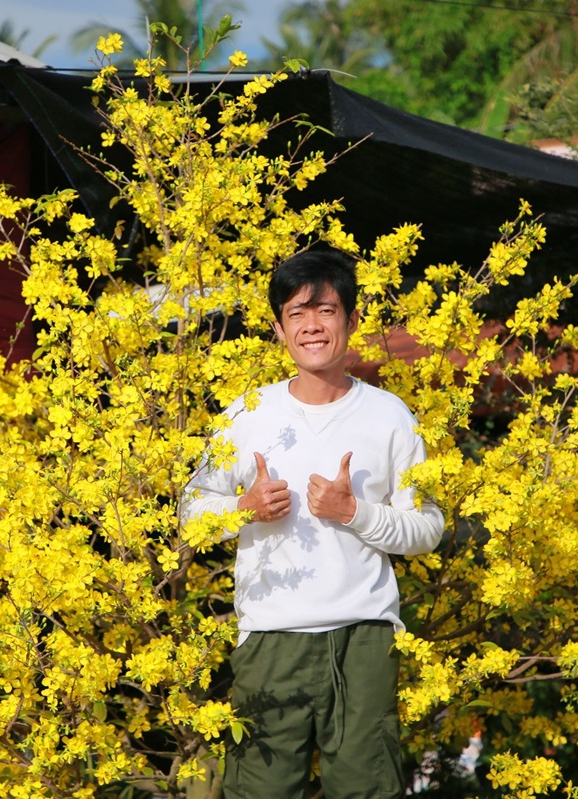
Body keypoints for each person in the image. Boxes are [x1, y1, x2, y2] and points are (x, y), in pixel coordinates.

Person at [180, 248, 445, 798]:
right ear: (279, 329)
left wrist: (354, 513)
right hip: (271, 638)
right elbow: (190, 514)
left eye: (325, 311)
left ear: (351, 321)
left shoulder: (390, 416)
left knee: (368, 790)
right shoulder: (245, 414)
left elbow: (428, 528)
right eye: (297, 314)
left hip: (363, 638)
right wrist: (241, 510)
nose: (312, 326)